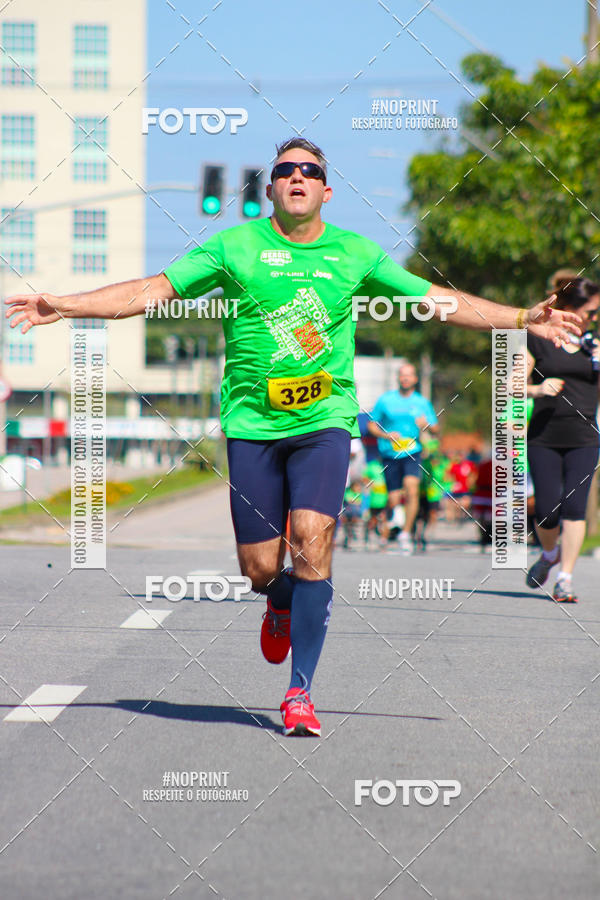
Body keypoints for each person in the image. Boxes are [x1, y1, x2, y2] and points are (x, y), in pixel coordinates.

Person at [5, 137, 581, 736]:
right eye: (285, 170)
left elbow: (436, 301)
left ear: (326, 190)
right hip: (251, 426)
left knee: (311, 539)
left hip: (324, 421)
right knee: (259, 568)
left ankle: (300, 692)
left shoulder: (354, 253)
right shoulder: (235, 247)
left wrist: (521, 317)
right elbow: (150, 291)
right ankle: (280, 599)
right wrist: (64, 305)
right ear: (271, 188)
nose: (298, 177)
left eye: (310, 171)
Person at [525, 276, 599, 602]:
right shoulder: (539, 339)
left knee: (574, 506)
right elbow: (511, 384)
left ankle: (565, 578)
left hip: (585, 436)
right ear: (570, 309)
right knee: (546, 511)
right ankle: (549, 553)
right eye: (592, 312)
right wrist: (538, 389)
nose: (596, 318)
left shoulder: (595, 344)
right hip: (544, 434)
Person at [367, 363, 439, 554]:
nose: (405, 378)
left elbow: (436, 428)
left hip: (412, 452)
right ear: (398, 378)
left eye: (409, 375)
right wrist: (385, 435)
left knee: (412, 489)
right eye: (402, 375)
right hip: (390, 453)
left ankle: (405, 533)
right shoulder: (386, 400)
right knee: (393, 498)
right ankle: (388, 525)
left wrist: (426, 425)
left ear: (415, 379)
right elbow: (372, 425)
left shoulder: (422, 402)